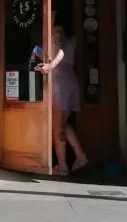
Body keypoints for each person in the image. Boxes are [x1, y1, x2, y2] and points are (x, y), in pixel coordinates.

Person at [35, 24, 88, 176]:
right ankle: (80, 156)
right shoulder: (71, 43)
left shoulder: (55, 46)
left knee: (57, 126)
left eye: (56, 32)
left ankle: (63, 166)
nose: (55, 35)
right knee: (63, 124)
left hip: (60, 85)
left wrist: (49, 66)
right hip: (72, 83)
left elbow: (59, 55)